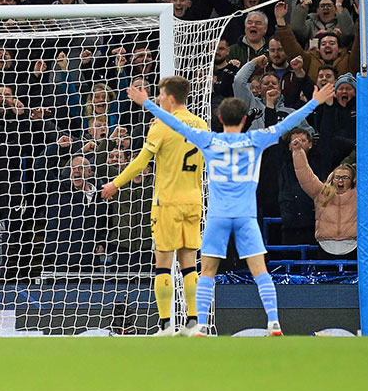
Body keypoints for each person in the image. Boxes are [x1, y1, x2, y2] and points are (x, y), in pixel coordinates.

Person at [126, 82, 336, 336]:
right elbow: (287, 123)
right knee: (260, 270)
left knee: (207, 272)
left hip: (218, 216)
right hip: (246, 216)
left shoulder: (209, 140)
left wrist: (146, 103)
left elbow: (174, 124)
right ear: (246, 118)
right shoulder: (256, 139)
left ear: (220, 117)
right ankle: (273, 321)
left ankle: (200, 325)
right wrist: (315, 101)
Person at [101, 76, 208, 336]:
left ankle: (166, 325)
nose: (158, 99)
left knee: (163, 264)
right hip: (194, 200)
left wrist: (115, 183)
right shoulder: (202, 124)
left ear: (170, 98)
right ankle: (193, 322)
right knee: (189, 264)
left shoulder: (161, 125)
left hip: (168, 202)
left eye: (160, 95)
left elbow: (140, 162)